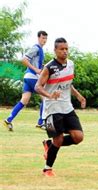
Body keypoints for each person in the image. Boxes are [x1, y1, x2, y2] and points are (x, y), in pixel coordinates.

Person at [34, 37, 86, 177]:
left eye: (66, 49)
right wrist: (50, 95)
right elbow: (38, 87)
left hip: (67, 107)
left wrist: (78, 96)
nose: (65, 52)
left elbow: (68, 84)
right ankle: (47, 168)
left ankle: (48, 144)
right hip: (52, 109)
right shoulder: (49, 67)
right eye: (61, 49)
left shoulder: (71, 64)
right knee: (59, 139)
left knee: (78, 137)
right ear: (55, 50)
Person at [3, 31, 48, 131]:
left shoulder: (40, 50)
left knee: (24, 100)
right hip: (32, 77)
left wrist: (43, 67)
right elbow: (24, 59)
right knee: (45, 98)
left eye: (45, 38)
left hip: (28, 77)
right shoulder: (36, 48)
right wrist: (36, 69)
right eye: (42, 38)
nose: (44, 40)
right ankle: (41, 122)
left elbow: (35, 63)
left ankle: (8, 120)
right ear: (38, 38)